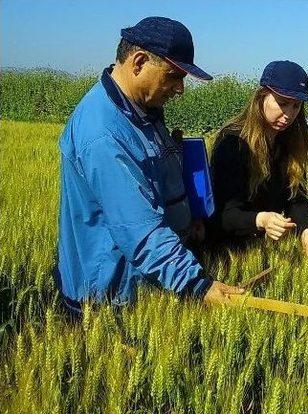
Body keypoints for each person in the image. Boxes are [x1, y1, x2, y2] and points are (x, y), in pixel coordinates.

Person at [55, 16, 243, 318]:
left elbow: (158, 175)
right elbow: (138, 230)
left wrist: (188, 216)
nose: (180, 89)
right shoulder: (104, 134)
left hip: (144, 281)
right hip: (108, 295)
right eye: (173, 76)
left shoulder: (143, 110)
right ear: (139, 62)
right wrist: (196, 283)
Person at [207, 60, 308, 258]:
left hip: (265, 249)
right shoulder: (233, 142)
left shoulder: (290, 141)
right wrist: (261, 220)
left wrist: (306, 230)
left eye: (296, 106)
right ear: (261, 97)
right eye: (282, 103)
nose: (289, 114)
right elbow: (222, 215)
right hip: (228, 251)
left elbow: (296, 197)